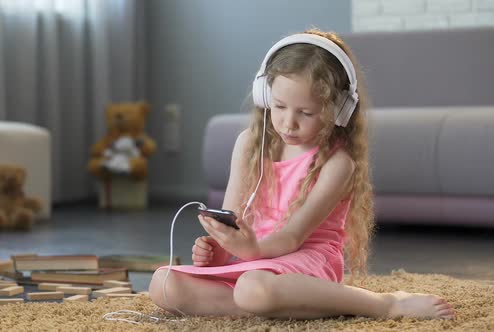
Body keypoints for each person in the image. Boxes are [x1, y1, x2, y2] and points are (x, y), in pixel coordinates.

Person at [148, 29, 454, 320]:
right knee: (163, 284)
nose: (288, 123)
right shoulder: (248, 144)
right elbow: (232, 217)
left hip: (303, 261)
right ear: (265, 97)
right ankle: (274, 305)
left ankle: (383, 304)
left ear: (339, 109)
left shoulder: (338, 163)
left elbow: (293, 237)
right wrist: (219, 247)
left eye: (305, 113)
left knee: (253, 288)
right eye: (279, 106)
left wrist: (250, 250)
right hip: (253, 263)